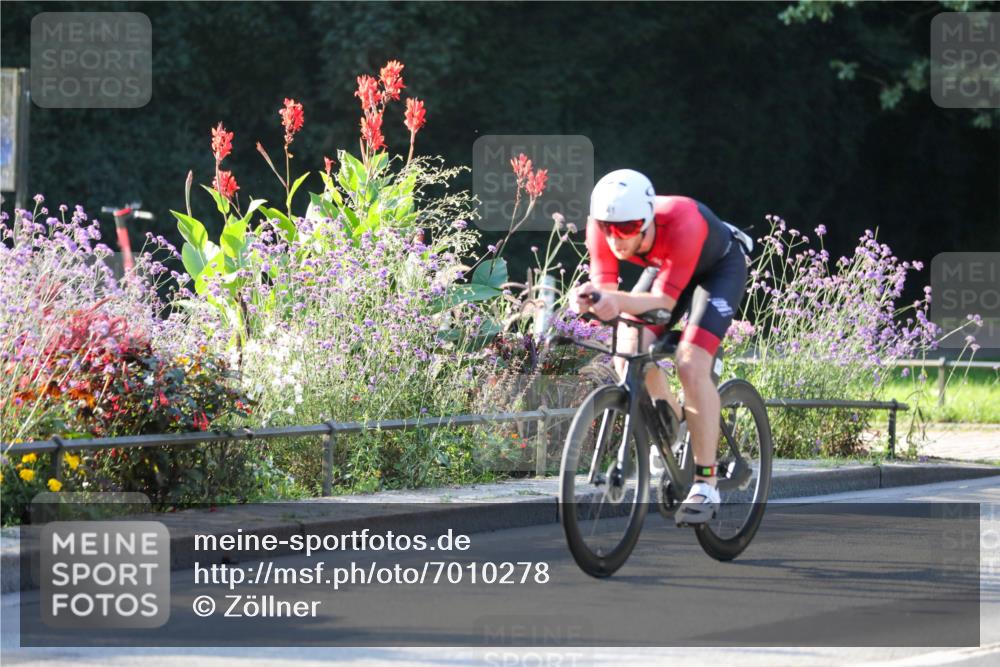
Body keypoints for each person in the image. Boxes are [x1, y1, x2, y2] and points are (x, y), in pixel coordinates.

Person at [570, 169, 750, 525]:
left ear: (649, 218)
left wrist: (613, 300)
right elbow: (605, 286)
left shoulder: (682, 221)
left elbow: (664, 304)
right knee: (626, 354)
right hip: (667, 267)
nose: (616, 239)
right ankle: (671, 419)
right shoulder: (601, 228)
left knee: (690, 363)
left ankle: (706, 483)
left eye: (627, 227)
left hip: (717, 270)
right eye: (609, 228)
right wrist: (588, 298)